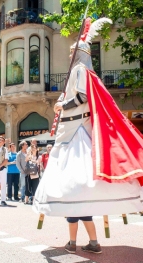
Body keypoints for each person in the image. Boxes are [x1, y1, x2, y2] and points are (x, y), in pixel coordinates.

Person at [33, 17, 143, 254]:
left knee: (75, 182)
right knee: (75, 186)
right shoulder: (83, 71)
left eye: (72, 51)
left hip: (76, 133)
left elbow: (82, 98)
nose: (69, 55)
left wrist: (63, 105)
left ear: (80, 53)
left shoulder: (80, 70)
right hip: (72, 131)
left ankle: (84, 242)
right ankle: (78, 242)